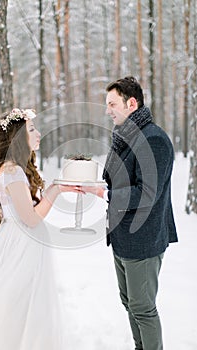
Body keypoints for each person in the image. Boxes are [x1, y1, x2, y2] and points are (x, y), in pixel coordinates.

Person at [0, 108, 81, 350]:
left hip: (21, 241)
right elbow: (31, 218)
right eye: (31, 129)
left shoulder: (14, 168)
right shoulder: (12, 171)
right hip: (22, 246)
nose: (38, 133)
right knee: (21, 307)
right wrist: (56, 191)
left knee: (25, 306)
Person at [81, 76, 178, 350]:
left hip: (143, 239)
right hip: (122, 237)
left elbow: (148, 193)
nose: (108, 109)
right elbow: (116, 180)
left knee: (143, 308)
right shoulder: (125, 137)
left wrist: (105, 194)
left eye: (112, 104)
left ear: (131, 103)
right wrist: (94, 185)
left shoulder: (154, 139)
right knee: (130, 303)